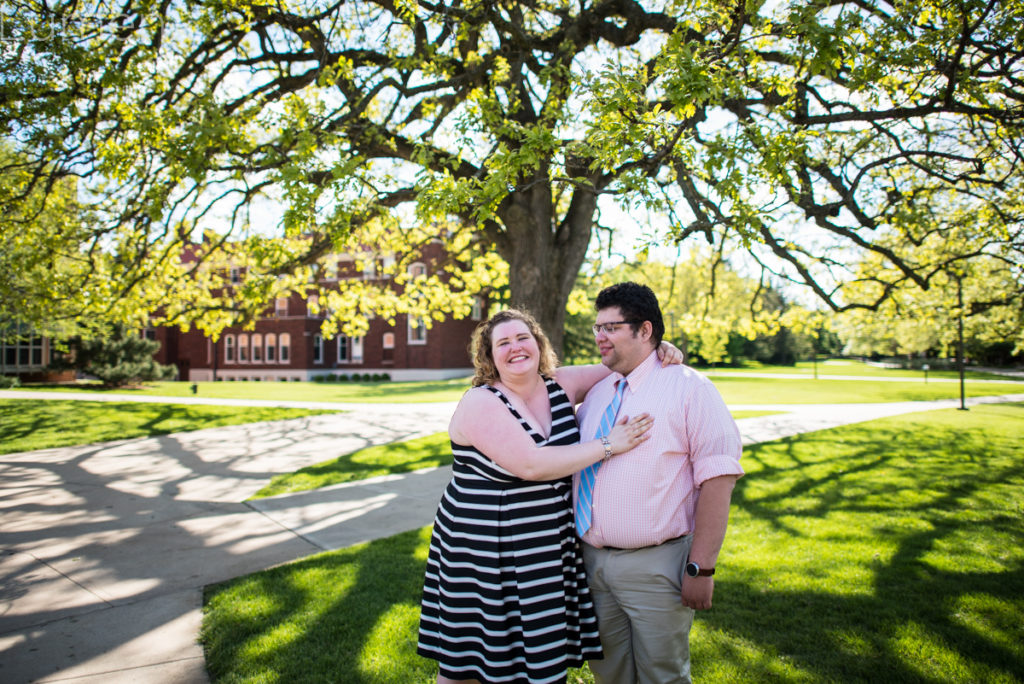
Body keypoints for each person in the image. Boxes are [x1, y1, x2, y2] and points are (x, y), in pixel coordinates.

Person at [417, 308, 680, 684]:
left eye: (523, 338)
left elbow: (623, 361)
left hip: (544, 546)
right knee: (469, 665)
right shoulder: (480, 402)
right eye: (503, 343)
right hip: (482, 549)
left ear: (538, 344)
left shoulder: (562, 383)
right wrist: (610, 444)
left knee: (540, 657)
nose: (515, 347)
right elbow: (533, 465)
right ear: (489, 356)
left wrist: (657, 348)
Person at [574, 282, 744, 684]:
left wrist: (701, 569)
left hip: (657, 567)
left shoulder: (690, 389)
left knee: (662, 676)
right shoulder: (597, 394)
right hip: (591, 564)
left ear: (645, 330)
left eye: (610, 328)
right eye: (597, 328)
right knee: (609, 675)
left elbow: (718, 480)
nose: (600, 337)